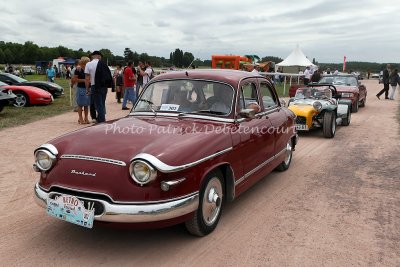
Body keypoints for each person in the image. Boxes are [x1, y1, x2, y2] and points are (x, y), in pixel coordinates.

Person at [85, 50, 113, 123]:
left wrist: (87, 89)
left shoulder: (88, 64)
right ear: (99, 56)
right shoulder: (104, 64)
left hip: (95, 86)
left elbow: (87, 78)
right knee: (102, 104)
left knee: (98, 105)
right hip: (104, 87)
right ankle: (100, 118)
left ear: (92, 56)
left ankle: (102, 121)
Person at [73, 57, 91, 124]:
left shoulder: (89, 69)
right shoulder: (78, 69)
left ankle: (86, 117)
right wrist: (84, 80)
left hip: (88, 88)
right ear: (83, 63)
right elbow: (75, 80)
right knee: (80, 104)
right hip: (80, 88)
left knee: (86, 104)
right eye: (87, 62)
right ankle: (80, 118)